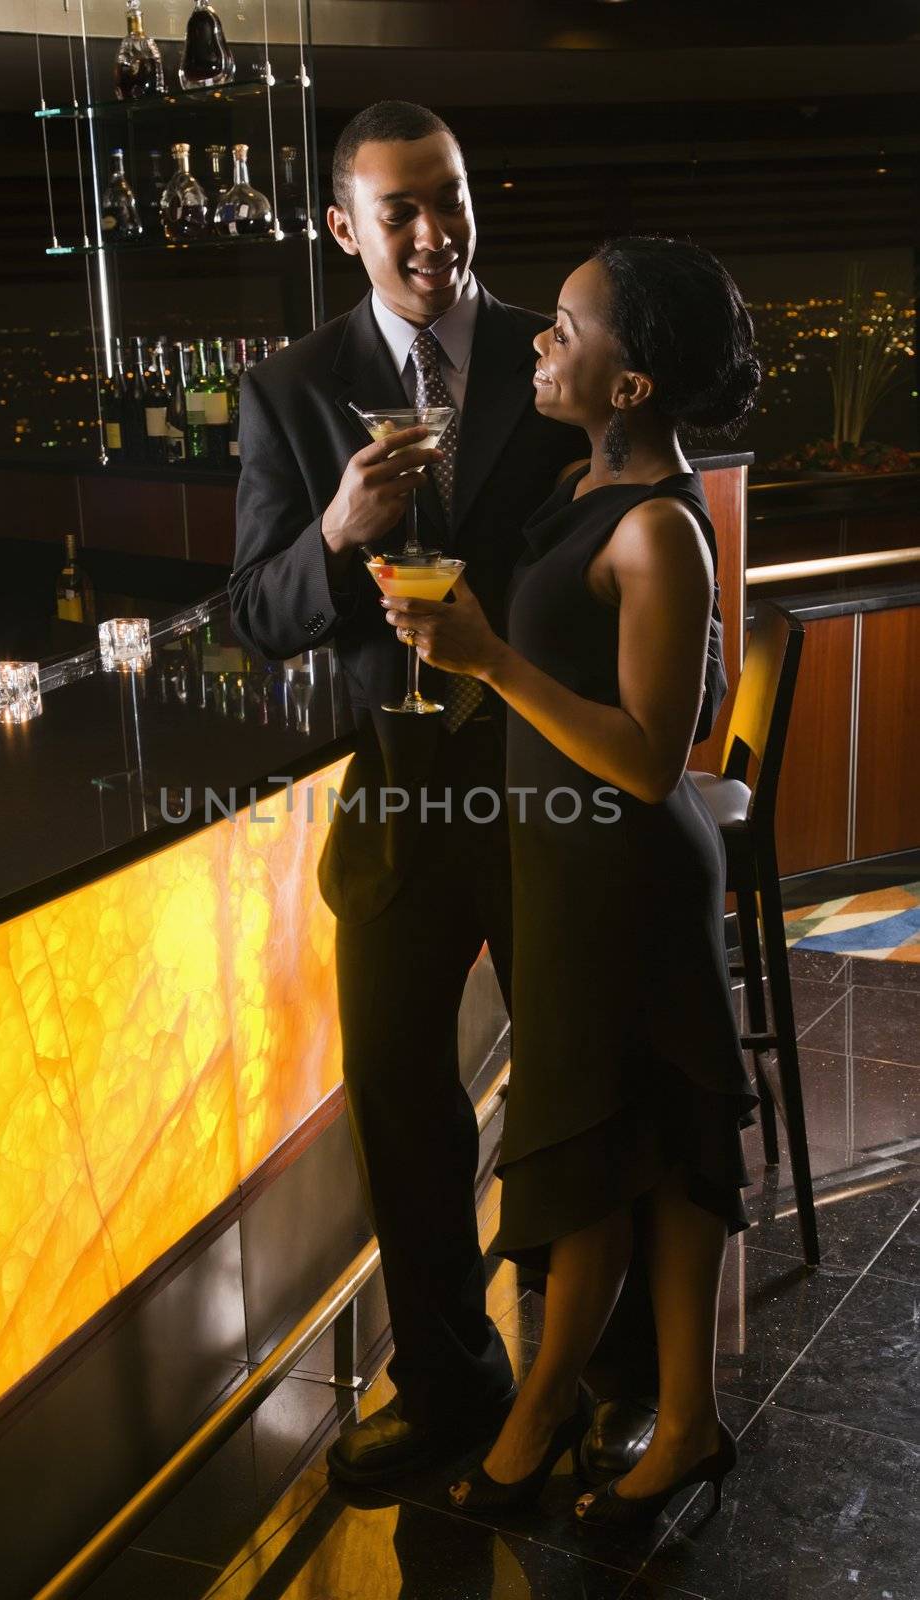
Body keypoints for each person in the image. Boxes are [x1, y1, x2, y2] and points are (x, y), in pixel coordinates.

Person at [228, 103, 725, 1489]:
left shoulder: (565, 354)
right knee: (402, 1102)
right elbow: (257, 612)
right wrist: (337, 531)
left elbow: (652, 559)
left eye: (450, 199)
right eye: (402, 212)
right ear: (346, 230)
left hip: (555, 803)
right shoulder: (289, 388)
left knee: (586, 1094)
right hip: (398, 809)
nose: (436, 232)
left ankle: (618, 1387)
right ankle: (453, 1381)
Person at [379, 235, 760, 1526]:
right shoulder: (589, 484)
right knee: (610, 1152)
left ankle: (578, 1417)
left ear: (633, 384)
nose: (541, 339)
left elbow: (656, 762)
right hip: (567, 873)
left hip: (628, 882)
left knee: (624, 1152)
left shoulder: (660, 530)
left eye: (569, 329)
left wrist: (486, 658)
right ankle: (657, 1421)